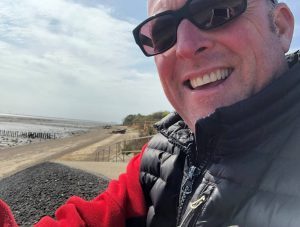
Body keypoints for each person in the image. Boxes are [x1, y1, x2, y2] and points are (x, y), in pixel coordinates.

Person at [0, 0, 299, 226]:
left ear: (281, 27)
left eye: (216, 10)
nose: (185, 46)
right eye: (164, 32)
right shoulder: (161, 157)